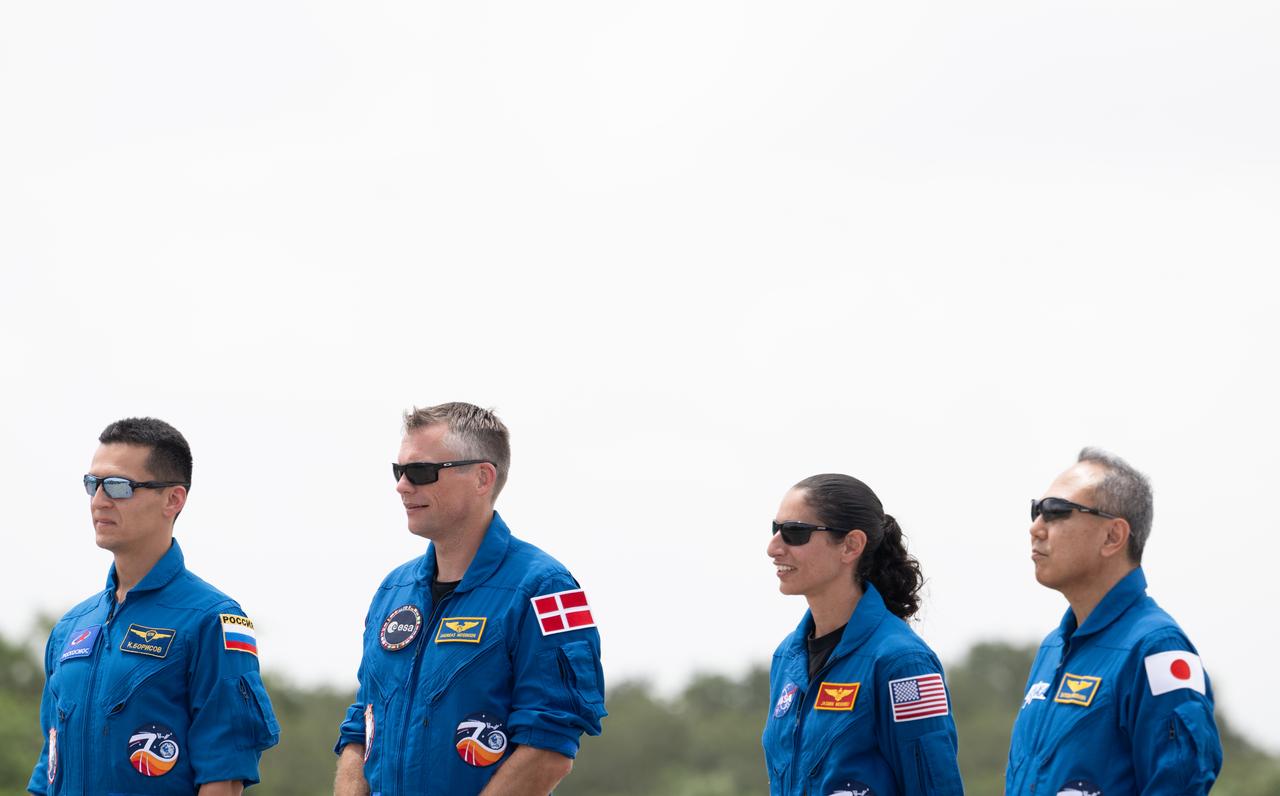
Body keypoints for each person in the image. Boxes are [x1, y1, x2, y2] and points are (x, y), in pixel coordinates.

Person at [334, 402, 606, 796]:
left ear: (482, 477)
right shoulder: (392, 590)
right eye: (399, 471)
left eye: (421, 472)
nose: (402, 485)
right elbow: (362, 724)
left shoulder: (548, 588)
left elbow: (550, 746)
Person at [28, 417, 280, 795]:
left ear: (173, 499)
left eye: (118, 486)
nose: (99, 500)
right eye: (92, 484)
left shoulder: (214, 620)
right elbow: (49, 766)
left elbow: (223, 777)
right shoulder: (69, 628)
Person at [1006, 448, 1223, 794]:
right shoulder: (1052, 648)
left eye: (1056, 512)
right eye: (1036, 510)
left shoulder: (1157, 650)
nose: (1036, 528)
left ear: (1113, 537)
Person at [762, 473, 963, 796]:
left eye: (795, 533)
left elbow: (934, 787)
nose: (773, 547)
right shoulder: (786, 657)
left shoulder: (903, 662)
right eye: (776, 530)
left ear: (851, 545)